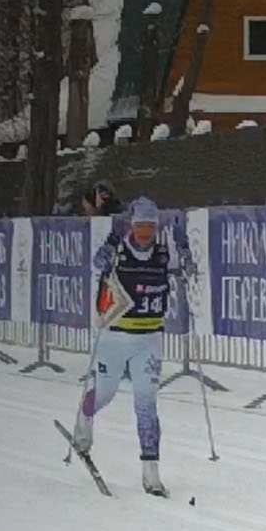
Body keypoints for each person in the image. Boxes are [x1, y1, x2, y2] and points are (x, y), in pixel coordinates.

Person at [69, 195, 194, 496]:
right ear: (132, 226)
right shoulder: (120, 250)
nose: (145, 233)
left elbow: (189, 272)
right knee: (105, 393)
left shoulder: (164, 253)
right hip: (114, 338)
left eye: (150, 227)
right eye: (140, 227)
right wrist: (110, 244)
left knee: (146, 405)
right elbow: (97, 264)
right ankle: (85, 420)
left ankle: (151, 475)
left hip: (149, 340)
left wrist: (183, 244)